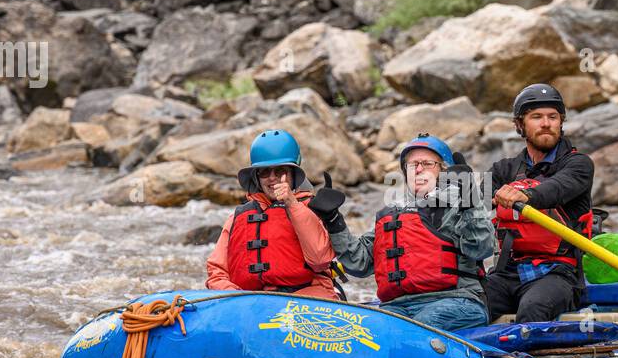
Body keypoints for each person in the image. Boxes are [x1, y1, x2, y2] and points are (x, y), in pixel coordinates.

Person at [317, 133, 495, 331]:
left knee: (413, 328)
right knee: (366, 332)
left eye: (427, 164)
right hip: (398, 306)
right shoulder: (392, 215)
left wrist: (470, 200)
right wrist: (334, 221)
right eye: (412, 165)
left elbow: (482, 248)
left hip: (457, 301)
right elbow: (359, 263)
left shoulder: (457, 207)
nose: (418, 170)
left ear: (444, 170)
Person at [487, 83, 595, 323]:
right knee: (471, 305)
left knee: (533, 308)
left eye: (552, 117)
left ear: (561, 123)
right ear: (520, 125)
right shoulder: (504, 169)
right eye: (536, 117)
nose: (546, 123)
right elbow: (472, 200)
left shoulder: (579, 164)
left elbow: (555, 189)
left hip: (559, 274)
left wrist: (525, 195)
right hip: (509, 272)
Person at [205, 129, 340, 300]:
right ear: (256, 177)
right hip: (253, 301)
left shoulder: (311, 209)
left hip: (308, 299)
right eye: (264, 172)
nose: (272, 178)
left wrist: (292, 204)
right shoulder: (237, 217)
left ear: (293, 174)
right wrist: (236, 298)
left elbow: (320, 260)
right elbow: (217, 273)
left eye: (280, 171)